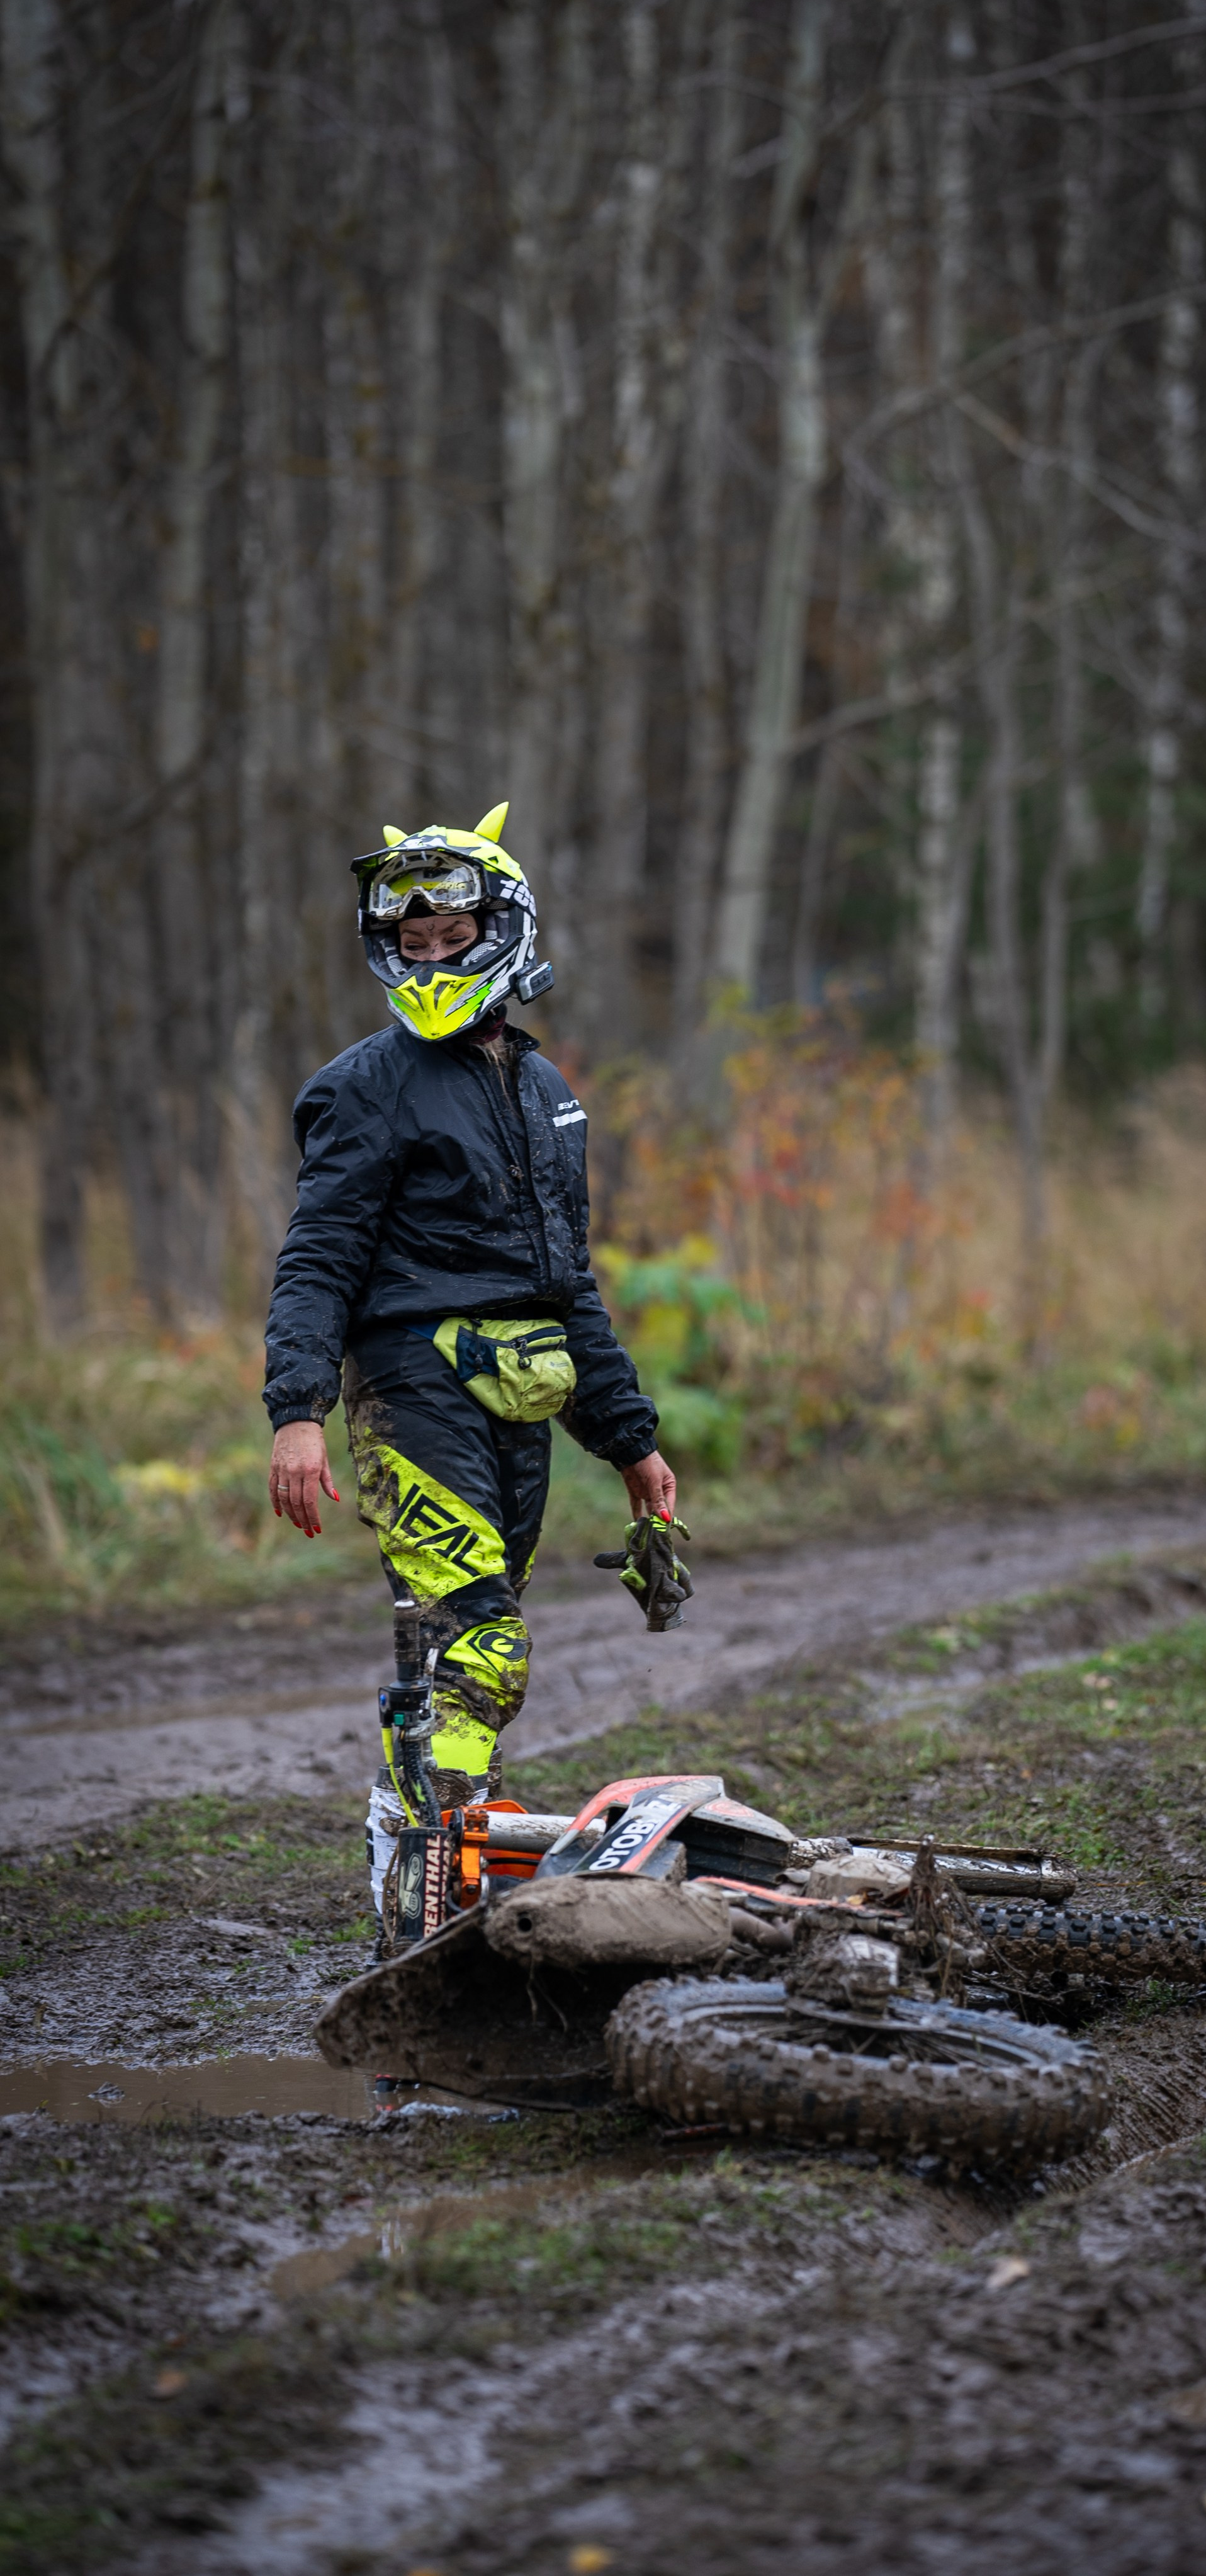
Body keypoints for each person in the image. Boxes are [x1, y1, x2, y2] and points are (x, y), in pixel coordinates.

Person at [262, 803, 677, 1930]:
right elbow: (317, 1259)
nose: (432, 955)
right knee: (482, 1644)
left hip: (523, 1394)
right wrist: (297, 1409)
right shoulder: (364, 1087)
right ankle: (441, 1891)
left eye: (452, 937)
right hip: (410, 1391)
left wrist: (631, 1441)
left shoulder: (546, 1095)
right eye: (415, 941)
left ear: (501, 930)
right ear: (387, 948)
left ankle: (421, 1881)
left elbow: (569, 1284)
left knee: (456, 1655)